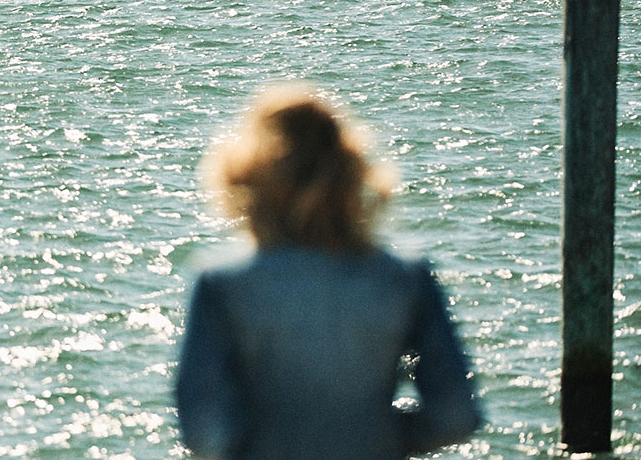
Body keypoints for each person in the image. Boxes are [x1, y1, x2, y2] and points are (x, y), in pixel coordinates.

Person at [175, 84, 481, 460]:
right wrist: (378, 435)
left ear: (246, 180)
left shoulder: (223, 285)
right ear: (353, 175)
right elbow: (456, 416)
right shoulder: (404, 278)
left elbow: (204, 432)